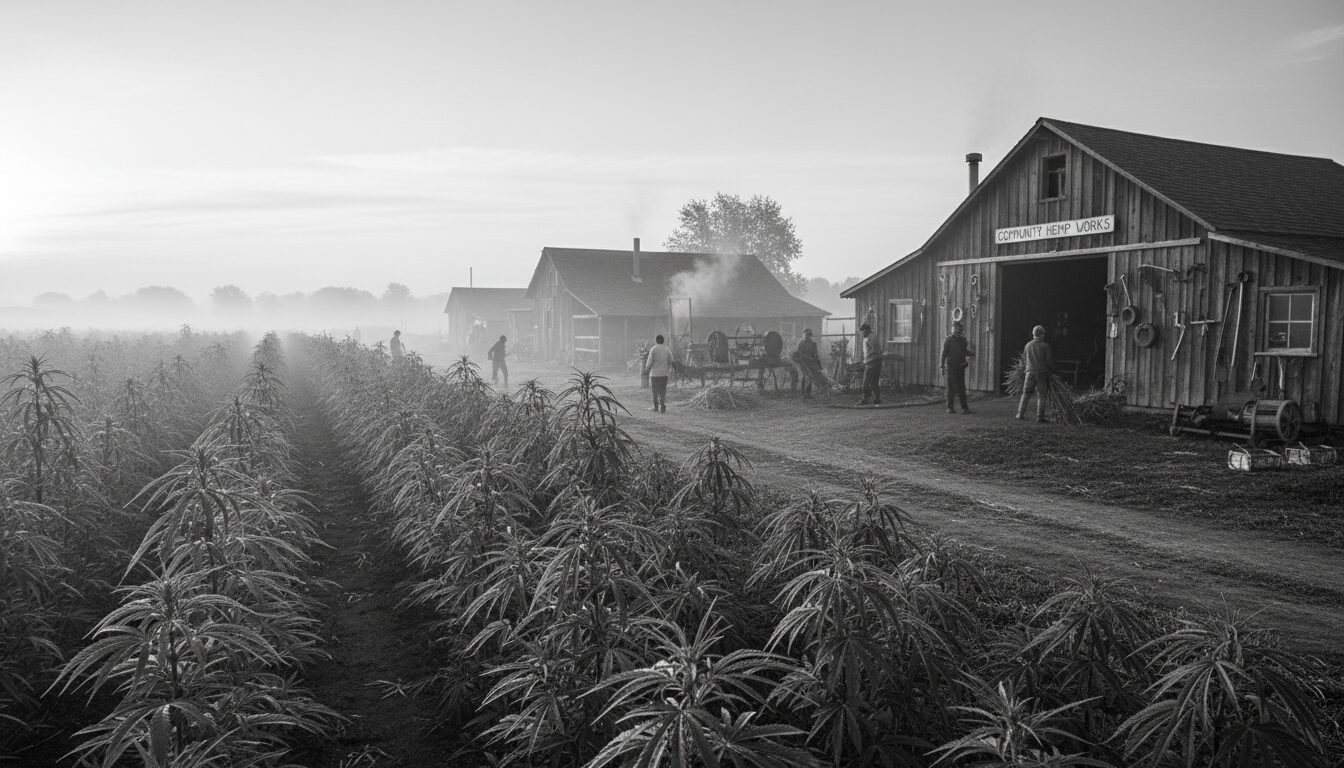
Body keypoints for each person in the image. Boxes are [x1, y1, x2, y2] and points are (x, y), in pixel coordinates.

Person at [1016, 325, 1054, 423]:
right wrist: (1051, 371)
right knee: (1041, 395)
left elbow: (1023, 360)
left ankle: (1020, 414)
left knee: (1026, 393)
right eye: (1043, 333)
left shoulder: (1028, 345)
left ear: (1033, 334)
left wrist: (1024, 369)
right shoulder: (1045, 346)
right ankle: (1040, 417)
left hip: (1029, 373)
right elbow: (1049, 361)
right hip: (1041, 373)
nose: (1044, 335)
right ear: (1041, 334)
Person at [940, 321, 975, 414]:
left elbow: (964, 351)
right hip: (951, 367)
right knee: (950, 388)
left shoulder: (963, 340)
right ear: (952, 330)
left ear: (961, 330)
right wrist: (942, 365)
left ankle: (964, 408)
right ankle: (950, 408)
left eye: (958, 329)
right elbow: (944, 353)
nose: (957, 331)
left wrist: (970, 353)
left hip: (961, 367)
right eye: (955, 328)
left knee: (961, 388)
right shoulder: (948, 340)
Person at [643, 334, 674, 413]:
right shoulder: (667, 349)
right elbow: (672, 361)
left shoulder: (653, 349)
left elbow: (649, 362)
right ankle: (663, 406)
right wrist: (670, 370)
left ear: (656, 341)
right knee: (663, 390)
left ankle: (656, 407)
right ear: (663, 341)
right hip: (664, 373)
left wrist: (646, 370)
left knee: (655, 391)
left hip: (655, 374)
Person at [859, 323, 882, 405]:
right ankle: (876, 399)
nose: (862, 333)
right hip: (872, 362)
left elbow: (873, 351)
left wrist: (866, 361)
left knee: (867, 383)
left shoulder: (871, 338)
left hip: (873, 362)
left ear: (867, 330)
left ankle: (866, 399)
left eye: (863, 331)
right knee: (873, 383)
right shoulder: (868, 337)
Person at [795, 328, 820, 399]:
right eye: (806, 334)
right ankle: (803, 393)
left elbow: (815, 353)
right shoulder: (801, 343)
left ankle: (807, 393)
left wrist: (816, 359)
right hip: (803, 362)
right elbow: (799, 353)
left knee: (811, 376)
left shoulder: (813, 343)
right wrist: (805, 358)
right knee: (805, 376)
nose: (807, 336)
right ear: (803, 334)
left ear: (811, 335)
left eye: (809, 334)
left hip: (811, 362)